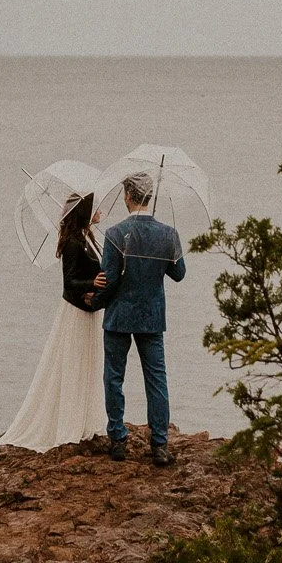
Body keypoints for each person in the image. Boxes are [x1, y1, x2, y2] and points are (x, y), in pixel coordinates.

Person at [0, 192, 107, 450]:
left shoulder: (88, 238)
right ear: (86, 212)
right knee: (72, 365)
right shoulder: (73, 244)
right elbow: (69, 283)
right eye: (97, 208)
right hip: (75, 314)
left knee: (86, 364)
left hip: (88, 312)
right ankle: (69, 421)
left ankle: (85, 418)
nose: (101, 212)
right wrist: (93, 283)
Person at [97, 173, 185, 467]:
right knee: (157, 380)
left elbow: (108, 281)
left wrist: (92, 302)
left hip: (119, 316)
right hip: (152, 317)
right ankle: (159, 445)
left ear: (128, 197)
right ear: (149, 197)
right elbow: (179, 273)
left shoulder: (114, 234)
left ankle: (118, 439)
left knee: (114, 377)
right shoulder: (168, 235)